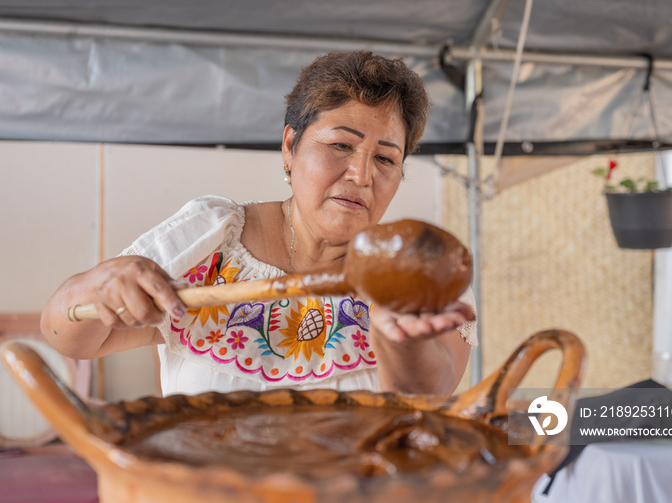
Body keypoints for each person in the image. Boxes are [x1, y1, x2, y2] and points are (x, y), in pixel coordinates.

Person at [41, 50, 478, 397]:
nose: (362, 176)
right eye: (341, 145)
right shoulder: (211, 240)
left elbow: (429, 393)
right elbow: (69, 337)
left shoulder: (418, 270)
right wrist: (99, 285)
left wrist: (396, 334)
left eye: (385, 158)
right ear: (290, 146)